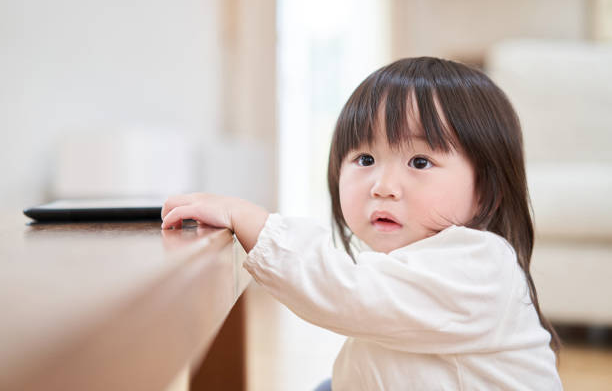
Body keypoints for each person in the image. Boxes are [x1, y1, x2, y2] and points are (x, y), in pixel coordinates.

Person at [161, 57, 563, 390]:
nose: (383, 187)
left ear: (486, 190)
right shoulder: (418, 260)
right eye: (365, 160)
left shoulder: (481, 263)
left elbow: (350, 292)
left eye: (420, 162)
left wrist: (255, 223)